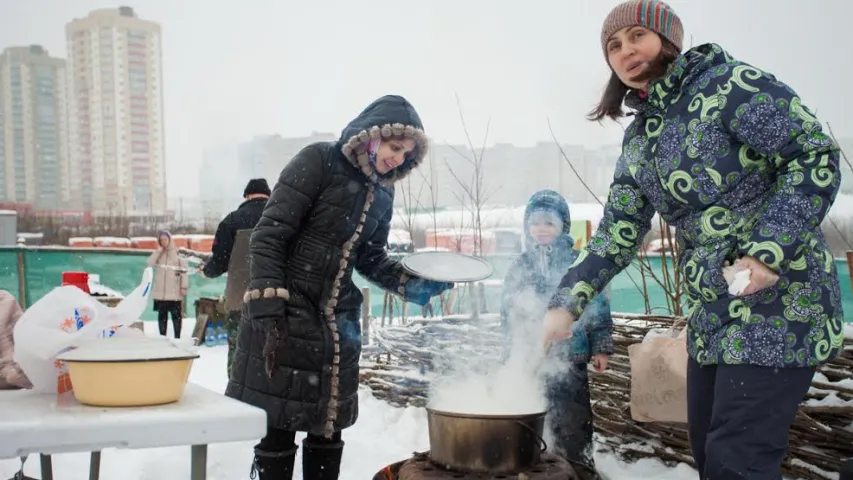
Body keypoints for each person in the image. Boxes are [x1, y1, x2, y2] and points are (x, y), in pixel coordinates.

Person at [541, 1, 844, 478]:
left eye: (637, 36)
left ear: (668, 38)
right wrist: (567, 302)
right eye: (613, 46)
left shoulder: (731, 86)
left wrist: (767, 253)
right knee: (710, 455)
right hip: (714, 312)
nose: (625, 52)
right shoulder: (640, 139)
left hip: (782, 303)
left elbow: (814, 158)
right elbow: (618, 234)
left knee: (735, 463)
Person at [225, 94, 454, 480]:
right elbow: (270, 234)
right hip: (288, 316)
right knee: (278, 432)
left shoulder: (383, 192)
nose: (398, 158)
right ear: (372, 136)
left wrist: (409, 283)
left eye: (406, 154)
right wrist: (268, 305)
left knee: (328, 432)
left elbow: (370, 258)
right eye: (395, 147)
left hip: (336, 326)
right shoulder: (318, 160)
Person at [500, 190, 612, 473]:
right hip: (532, 356)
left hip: (571, 356)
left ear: (563, 225)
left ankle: (580, 470)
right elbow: (508, 313)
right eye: (535, 222)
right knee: (535, 416)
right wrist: (509, 352)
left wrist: (600, 346)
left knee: (573, 420)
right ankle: (540, 472)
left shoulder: (578, 262)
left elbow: (598, 305)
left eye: (549, 223)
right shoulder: (520, 265)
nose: (541, 229)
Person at [200, 178, 270, 375]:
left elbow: (219, 262)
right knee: (272, 351)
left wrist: (207, 271)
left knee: (239, 350)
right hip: (276, 301)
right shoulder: (281, 219)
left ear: (247, 195)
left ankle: (237, 395)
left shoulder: (231, 221)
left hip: (240, 299)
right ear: (269, 195)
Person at [146, 231, 188, 339]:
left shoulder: (178, 253)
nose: (163, 242)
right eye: (161, 240)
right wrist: (158, 251)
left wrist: (183, 286)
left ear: (170, 239)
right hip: (160, 292)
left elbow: (184, 271)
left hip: (174, 291)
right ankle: (162, 337)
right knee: (162, 316)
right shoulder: (159, 253)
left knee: (176, 316)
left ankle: (177, 337)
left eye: (165, 239)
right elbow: (149, 263)